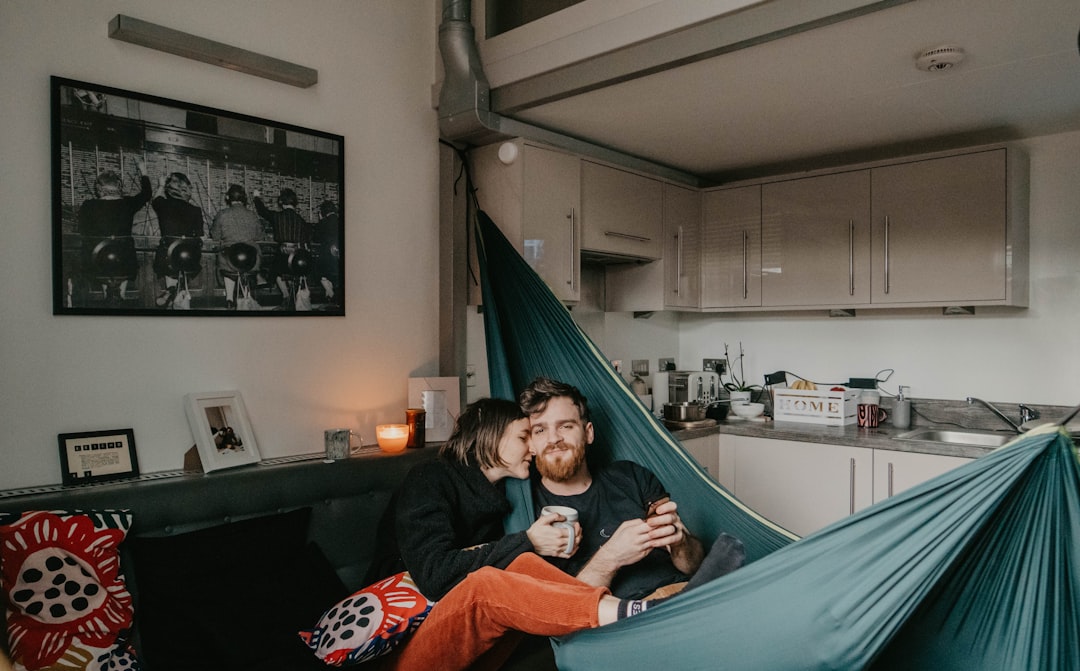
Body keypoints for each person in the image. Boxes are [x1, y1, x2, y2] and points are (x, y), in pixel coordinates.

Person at [367, 398, 667, 671]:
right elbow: (434, 576)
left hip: (470, 646)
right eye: (524, 437)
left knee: (523, 565)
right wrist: (530, 541)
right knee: (487, 583)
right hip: (400, 644)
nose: (533, 449)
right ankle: (633, 615)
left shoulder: (503, 497)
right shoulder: (430, 478)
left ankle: (633, 620)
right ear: (491, 435)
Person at [521, 376, 746, 600]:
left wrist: (680, 542)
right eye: (540, 430)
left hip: (683, 590)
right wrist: (611, 556)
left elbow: (692, 565)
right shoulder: (529, 512)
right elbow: (563, 606)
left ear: (588, 433)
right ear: (530, 444)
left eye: (565, 426)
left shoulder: (630, 476)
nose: (553, 439)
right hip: (630, 612)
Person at [75, 158, 151, 305]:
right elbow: (147, 194)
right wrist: (143, 169)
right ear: (119, 187)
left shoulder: (88, 205)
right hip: (124, 261)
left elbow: (83, 230)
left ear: (99, 188)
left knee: (106, 287)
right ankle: (119, 298)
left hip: (98, 261)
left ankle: (108, 298)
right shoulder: (127, 203)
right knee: (120, 293)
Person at [253, 187, 312, 310]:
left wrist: (256, 197)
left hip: (284, 257)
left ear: (281, 202)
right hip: (299, 260)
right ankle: (294, 296)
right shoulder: (301, 220)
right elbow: (307, 240)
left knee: (274, 271)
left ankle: (285, 296)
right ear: (294, 203)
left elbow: (262, 211)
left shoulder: (277, 216)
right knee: (292, 271)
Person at [152, 172, 205, 308]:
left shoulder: (162, 204)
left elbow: (155, 198)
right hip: (190, 259)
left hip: (167, 258)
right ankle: (177, 291)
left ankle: (171, 290)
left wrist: (161, 185)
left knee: (170, 260)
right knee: (183, 264)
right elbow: (200, 236)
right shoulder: (196, 210)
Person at [210, 184, 262, 309]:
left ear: (228, 198)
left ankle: (229, 299)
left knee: (229, 266)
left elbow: (215, 236)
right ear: (243, 198)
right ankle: (247, 297)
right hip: (251, 259)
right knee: (247, 264)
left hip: (229, 259)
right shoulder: (253, 215)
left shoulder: (222, 214)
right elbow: (259, 235)